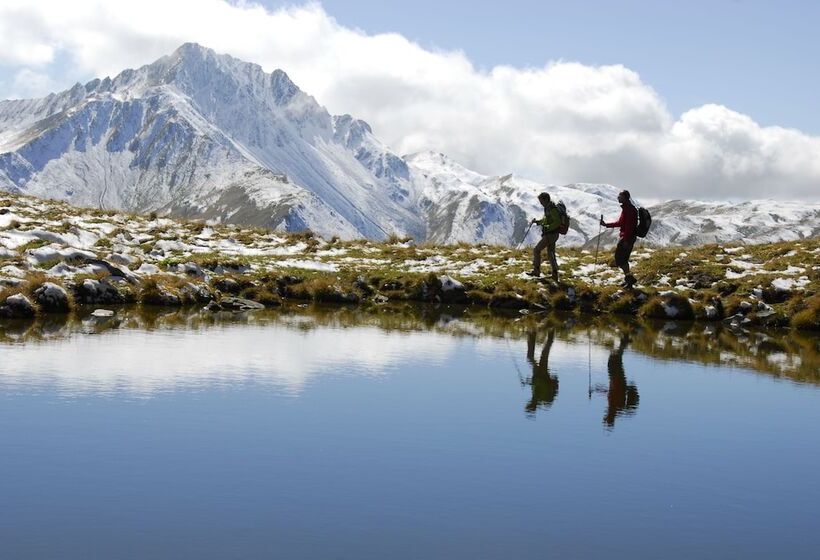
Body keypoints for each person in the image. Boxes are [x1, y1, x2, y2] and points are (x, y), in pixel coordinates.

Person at [600, 190, 638, 287]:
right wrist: (606, 225)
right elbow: (621, 223)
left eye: (620, 196)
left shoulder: (629, 210)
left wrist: (625, 240)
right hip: (628, 237)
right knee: (623, 259)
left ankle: (630, 279)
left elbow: (629, 226)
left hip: (627, 238)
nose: (618, 198)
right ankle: (628, 279)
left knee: (620, 259)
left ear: (625, 198)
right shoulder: (627, 209)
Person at [603, 332, 639, 429]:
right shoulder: (617, 407)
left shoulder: (615, 407)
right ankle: (625, 340)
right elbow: (613, 392)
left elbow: (609, 392)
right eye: (607, 416)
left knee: (614, 359)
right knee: (615, 359)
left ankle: (625, 341)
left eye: (605, 416)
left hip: (615, 378)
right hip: (617, 378)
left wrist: (595, 389)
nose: (605, 414)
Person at [524, 328, 559, 417]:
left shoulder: (535, 397)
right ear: (533, 405)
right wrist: (533, 381)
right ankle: (549, 332)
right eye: (530, 404)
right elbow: (542, 385)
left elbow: (536, 384)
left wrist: (529, 382)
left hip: (537, 374)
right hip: (542, 375)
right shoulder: (542, 398)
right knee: (542, 354)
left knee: (531, 357)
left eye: (528, 403)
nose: (529, 402)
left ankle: (532, 332)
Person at [528, 192, 561, 280]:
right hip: (553, 234)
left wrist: (548, 227)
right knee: (551, 254)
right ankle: (555, 274)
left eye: (541, 201)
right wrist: (538, 222)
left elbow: (557, 222)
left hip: (551, 234)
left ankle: (536, 271)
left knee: (536, 250)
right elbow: (547, 220)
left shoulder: (551, 209)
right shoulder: (549, 207)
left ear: (545, 199)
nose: (540, 203)